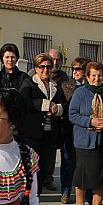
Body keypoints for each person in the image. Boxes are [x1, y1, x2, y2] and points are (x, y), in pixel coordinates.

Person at [69, 61, 103, 205]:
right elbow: (72, 114)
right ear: (87, 76)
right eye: (93, 75)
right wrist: (90, 122)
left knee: (101, 172)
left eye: (99, 75)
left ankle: (97, 204)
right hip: (84, 139)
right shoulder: (80, 93)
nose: (96, 79)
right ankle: (80, 204)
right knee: (83, 173)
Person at [21, 53, 67, 194]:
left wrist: (57, 108)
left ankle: (37, 198)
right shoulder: (29, 83)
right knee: (29, 168)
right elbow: (25, 102)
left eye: (48, 67)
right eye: (42, 67)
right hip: (32, 133)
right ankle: (26, 198)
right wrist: (46, 104)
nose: (45, 70)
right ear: (36, 68)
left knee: (42, 168)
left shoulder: (56, 86)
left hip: (49, 133)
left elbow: (64, 104)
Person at [59, 57, 91, 204]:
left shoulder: (92, 87)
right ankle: (66, 190)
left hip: (85, 130)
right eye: (73, 68)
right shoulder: (66, 85)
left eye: (78, 69)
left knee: (85, 161)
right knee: (67, 159)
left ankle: (88, 193)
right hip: (68, 128)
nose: (75, 72)